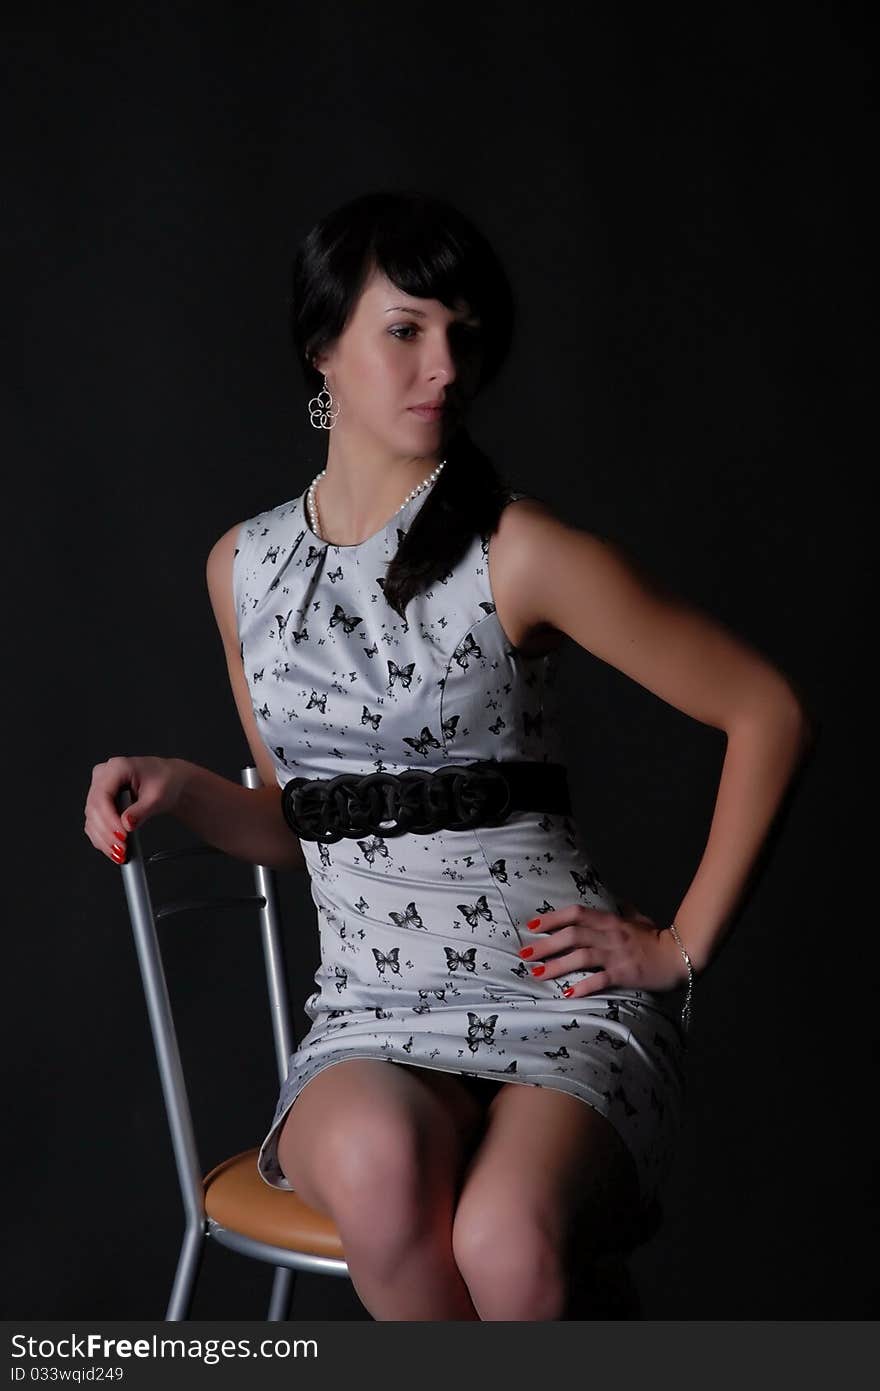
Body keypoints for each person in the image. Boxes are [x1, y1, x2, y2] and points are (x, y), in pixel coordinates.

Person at [84, 188, 814, 1321]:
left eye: (463, 335)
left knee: (506, 1238)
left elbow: (765, 708)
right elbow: (295, 819)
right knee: (377, 1168)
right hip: (372, 1007)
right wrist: (183, 787)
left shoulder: (518, 550)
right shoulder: (245, 569)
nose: (443, 363)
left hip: (559, 1003)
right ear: (321, 348)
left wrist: (679, 945)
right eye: (405, 328)